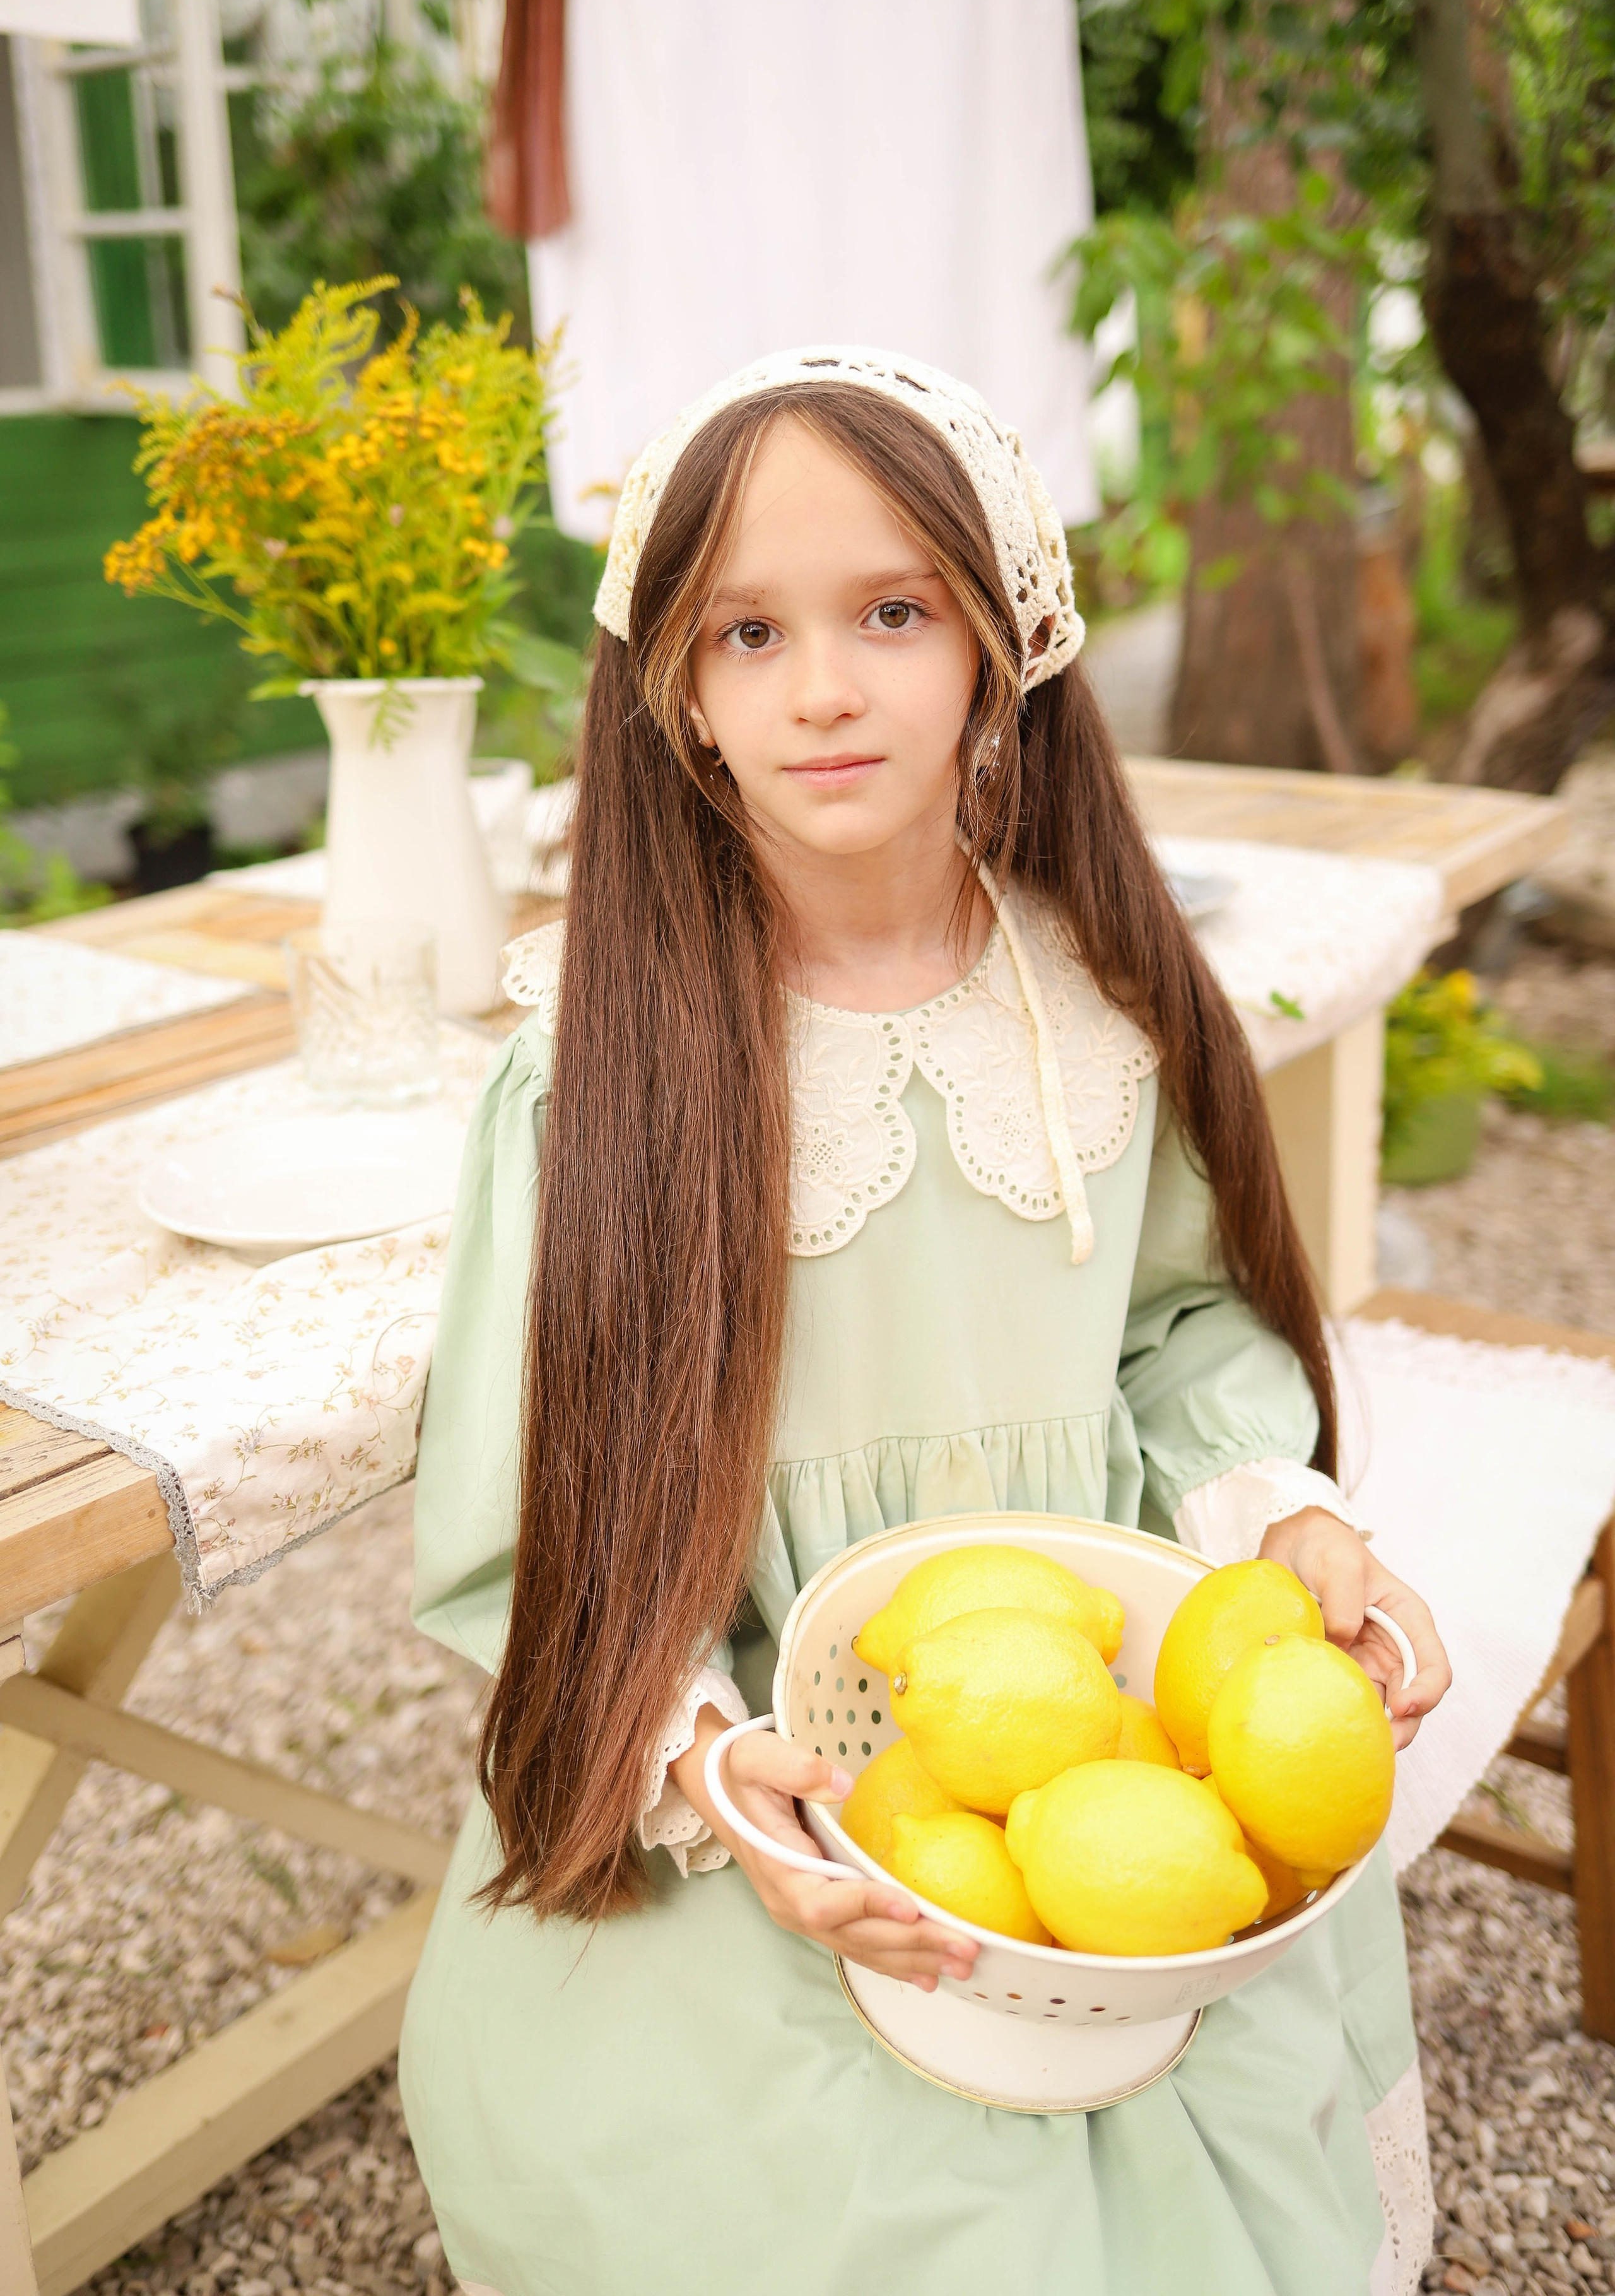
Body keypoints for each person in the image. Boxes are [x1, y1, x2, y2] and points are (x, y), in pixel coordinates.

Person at [399, 347, 1452, 2296]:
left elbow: (1188, 1333)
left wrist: (1272, 1522)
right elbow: (521, 1537)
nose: (823, 687)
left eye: (893, 611)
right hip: (757, 1769)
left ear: (998, 639)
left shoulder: (1110, 994)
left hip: (1101, 1731)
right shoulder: (595, 1077)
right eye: (748, 630)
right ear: (678, 696)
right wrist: (710, 1769)